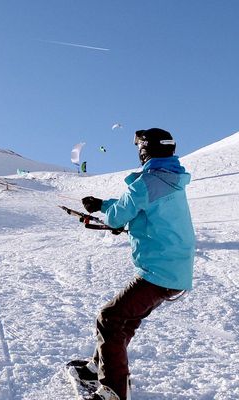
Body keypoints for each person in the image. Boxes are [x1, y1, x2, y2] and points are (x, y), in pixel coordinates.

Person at [70, 128, 195, 400]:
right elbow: (139, 207)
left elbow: (118, 217)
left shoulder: (147, 182)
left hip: (158, 273)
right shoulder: (171, 178)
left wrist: (105, 209)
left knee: (110, 317)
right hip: (176, 271)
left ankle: (114, 390)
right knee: (124, 320)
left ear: (144, 151)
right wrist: (105, 204)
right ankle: (97, 367)